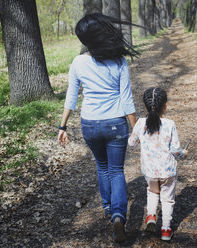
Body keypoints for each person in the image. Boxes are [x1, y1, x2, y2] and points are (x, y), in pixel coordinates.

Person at [58, 13, 138, 243]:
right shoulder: (119, 62)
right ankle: (118, 217)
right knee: (116, 170)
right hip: (115, 124)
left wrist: (62, 126)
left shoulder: (78, 62)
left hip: (90, 124)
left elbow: (71, 97)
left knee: (102, 167)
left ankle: (107, 208)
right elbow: (127, 102)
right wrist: (135, 130)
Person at [128, 87, 188, 241]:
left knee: (153, 192)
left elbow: (131, 143)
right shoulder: (169, 124)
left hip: (149, 171)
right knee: (167, 199)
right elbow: (175, 150)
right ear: (165, 106)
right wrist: (183, 154)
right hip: (167, 171)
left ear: (145, 106)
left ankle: (151, 217)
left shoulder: (141, 123)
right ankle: (166, 230)